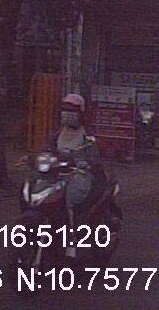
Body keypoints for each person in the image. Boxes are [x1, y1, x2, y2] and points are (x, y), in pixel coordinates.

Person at [48, 93, 102, 258]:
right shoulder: (58, 133)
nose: (67, 114)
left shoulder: (88, 135)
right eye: (64, 110)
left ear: (80, 113)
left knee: (69, 198)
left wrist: (83, 162)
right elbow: (47, 150)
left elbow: (93, 156)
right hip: (58, 173)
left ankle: (71, 237)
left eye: (71, 110)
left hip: (80, 175)